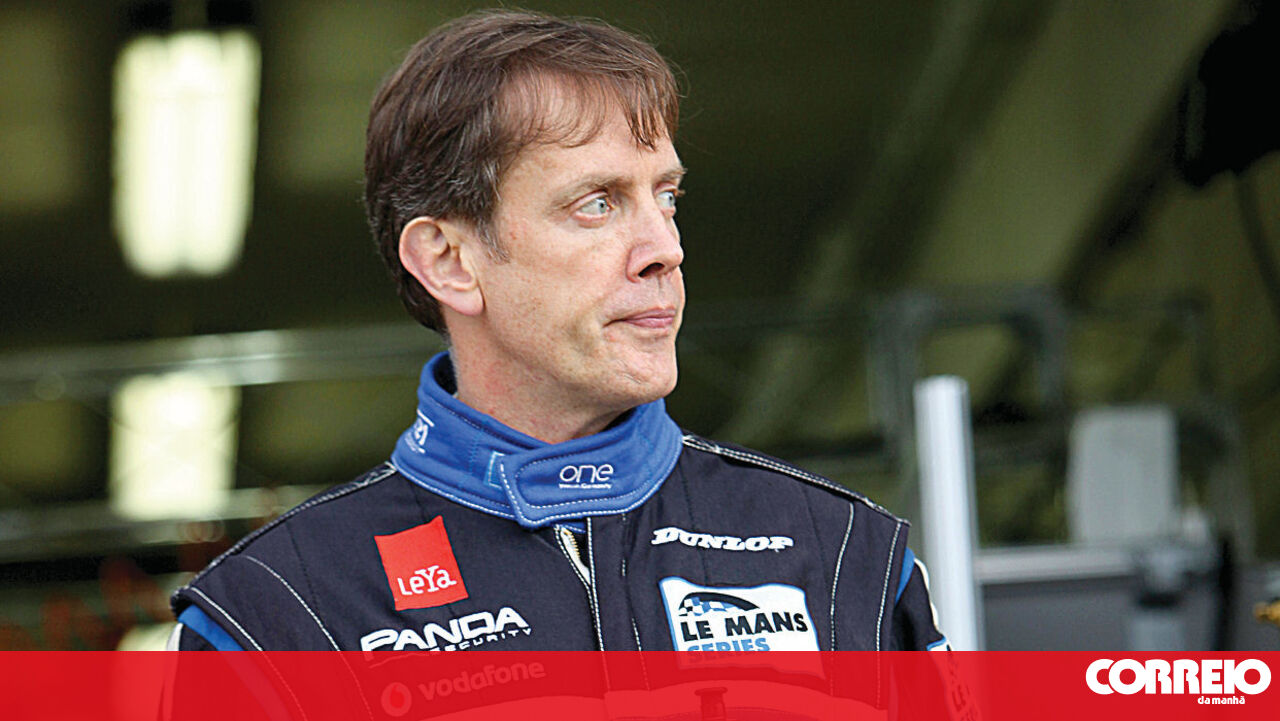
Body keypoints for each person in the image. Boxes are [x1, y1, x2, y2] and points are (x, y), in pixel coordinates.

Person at [168, 9, 947, 654]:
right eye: (597, 203)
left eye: (666, 197)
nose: (665, 249)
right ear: (448, 260)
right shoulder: (277, 616)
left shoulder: (846, 558)